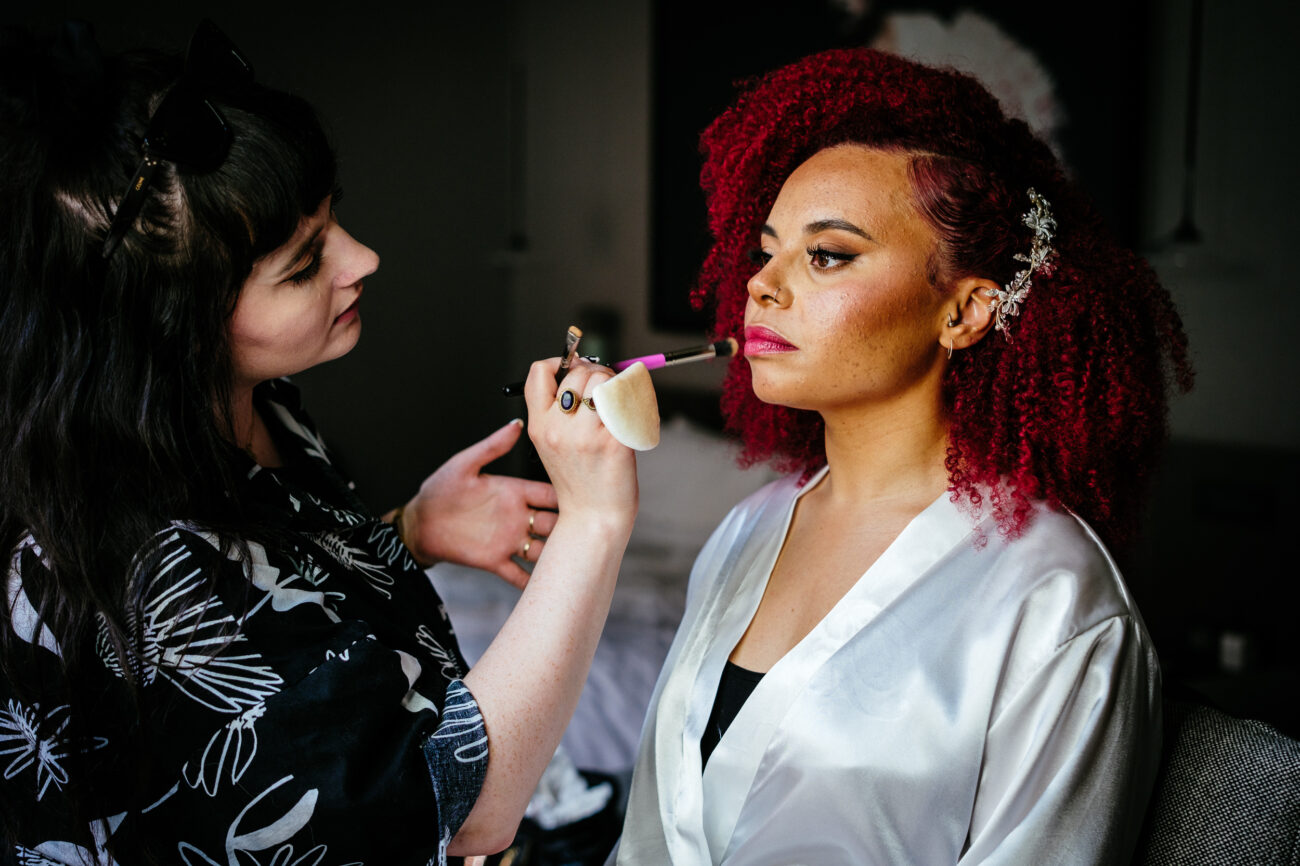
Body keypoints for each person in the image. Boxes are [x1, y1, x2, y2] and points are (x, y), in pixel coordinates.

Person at [0, 20, 638, 865]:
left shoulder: (265, 411)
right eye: (304, 265)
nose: (364, 257)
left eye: (333, 220)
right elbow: (448, 808)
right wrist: (593, 522)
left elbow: (283, 623)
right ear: (173, 328)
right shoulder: (139, 556)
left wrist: (405, 531)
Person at [611, 46, 1192, 864]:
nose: (762, 288)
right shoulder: (746, 531)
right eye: (766, 251)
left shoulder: (1055, 601)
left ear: (965, 312)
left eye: (828, 254)